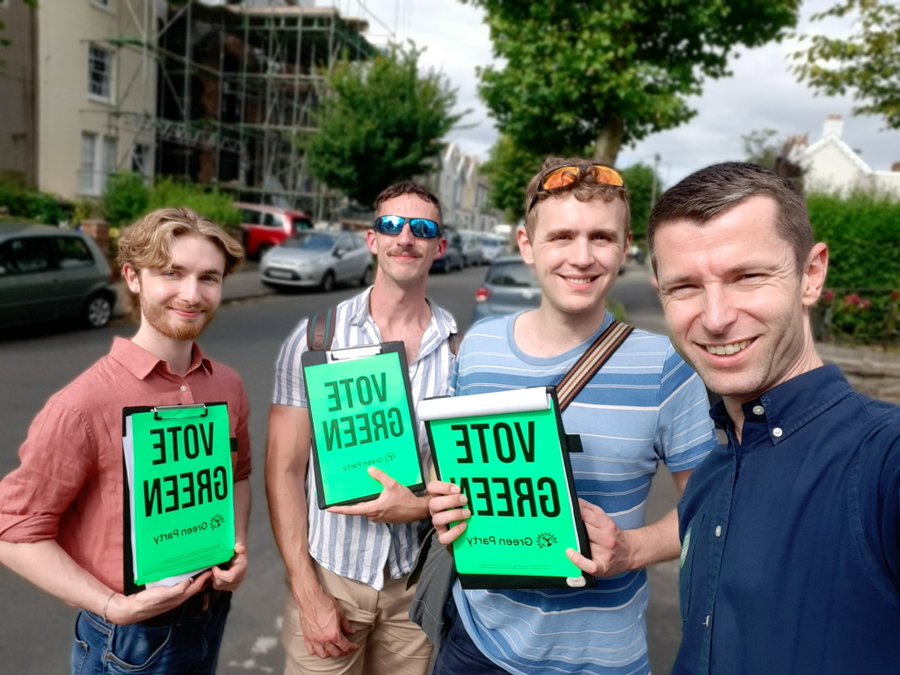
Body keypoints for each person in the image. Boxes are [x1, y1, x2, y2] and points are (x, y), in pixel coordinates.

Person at [427, 157, 718, 674]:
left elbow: (711, 511)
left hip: (600, 659)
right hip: (477, 642)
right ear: (526, 245)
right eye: (561, 236)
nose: (581, 257)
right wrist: (443, 501)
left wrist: (632, 549)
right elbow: (447, 470)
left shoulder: (665, 367)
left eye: (601, 238)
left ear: (625, 247)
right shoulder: (479, 347)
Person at [647, 162, 900, 674]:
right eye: (685, 287)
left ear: (811, 274)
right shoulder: (714, 469)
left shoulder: (882, 462)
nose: (715, 318)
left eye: (747, 276)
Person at [0, 207, 251, 674]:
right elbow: (13, 532)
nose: (192, 294)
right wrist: (111, 605)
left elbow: (238, 476)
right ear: (133, 277)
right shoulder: (81, 405)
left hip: (207, 615)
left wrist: (236, 541)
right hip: (129, 637)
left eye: (209, 278)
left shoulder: (228, 386)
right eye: (172, 273)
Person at [266, 181, 458, 675]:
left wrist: (414, 506)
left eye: (423, 228)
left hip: (413, 590)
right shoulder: (314, 339)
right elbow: (285, 470)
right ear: (372, 240)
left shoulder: (461, 353)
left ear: (440, 246)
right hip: (334, 580)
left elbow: (464, 480)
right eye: (392, 225)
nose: (405, 237)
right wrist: (307, 593)